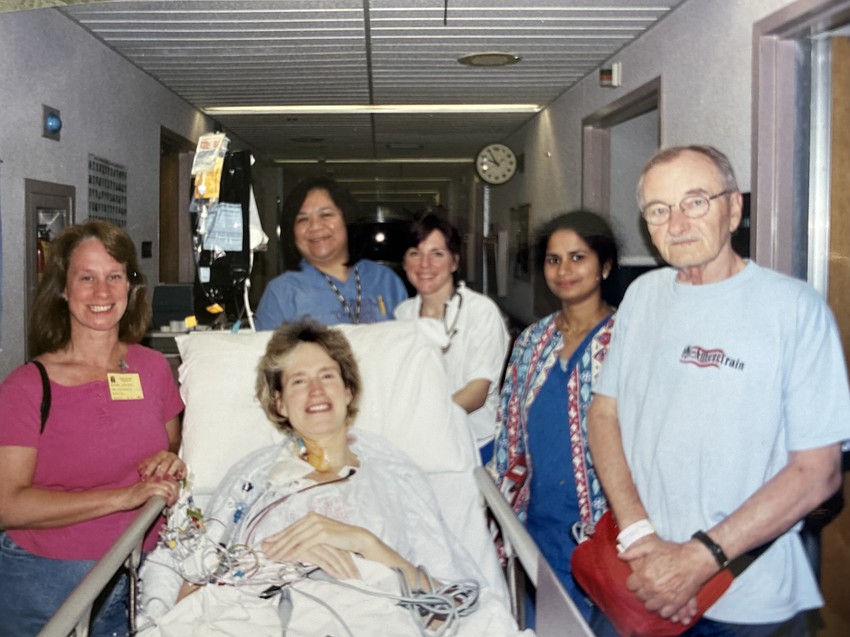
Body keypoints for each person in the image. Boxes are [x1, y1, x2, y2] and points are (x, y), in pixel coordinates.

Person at [587, 145, 850, 635]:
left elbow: (818, 473)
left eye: (696, 202)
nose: (677, 224)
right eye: (659, 210)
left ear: (733, 209)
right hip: (641, 578)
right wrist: (640, 536)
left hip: (748, 598)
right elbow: (603, 416)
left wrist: (698, 559)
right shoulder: (641, 297)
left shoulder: (795, 309)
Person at [138, 321, 522, 636]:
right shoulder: (252, 479)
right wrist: (267, 562)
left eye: (327, 376)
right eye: (298, 381)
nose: (316, 391)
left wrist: (365, 543)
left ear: (349, 391)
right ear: (279, 403)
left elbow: (450, 605)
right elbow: (192, 593)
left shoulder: (393, 474)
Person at [0, 221, 185, 637]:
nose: (102, 292)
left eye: (113, 277)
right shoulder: (26, 388)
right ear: (63, 290)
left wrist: (170, 460)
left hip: (142, 572)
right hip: (47, 585)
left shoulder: (153, 368)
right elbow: (7, 505)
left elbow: (173, 442)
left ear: (130, 287)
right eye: (86, 278)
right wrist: (123, 498)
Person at [490, 210, 619, 628]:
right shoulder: (531, 342)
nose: (564, 270)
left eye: (578, 258)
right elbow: (509, 433)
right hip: (537, 525)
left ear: (605, 266)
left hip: (606, 529)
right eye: (553, 259)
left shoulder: (628, 339)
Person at [394, 213, 510, 463]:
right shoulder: (403, 314)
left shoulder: (480, 311)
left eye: (437, 254)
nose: (424, 264)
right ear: (404, 263)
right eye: (415, 253)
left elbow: (477, 392)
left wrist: (420, 423)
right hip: (419, 447)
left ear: (454, 262)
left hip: (475, 446)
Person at [254, 176, 408, 329]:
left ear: (348, 220)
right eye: (303, 219)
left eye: (326, 215)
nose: (315, 226)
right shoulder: (282, 292)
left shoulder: (384, 280)